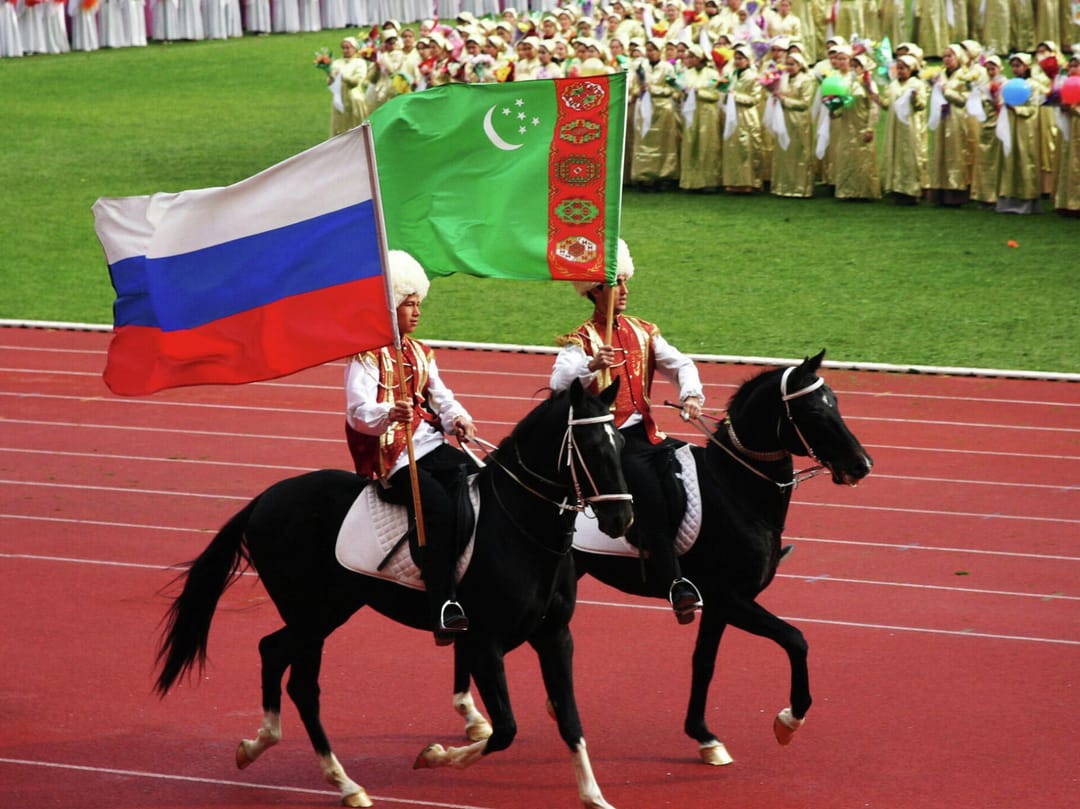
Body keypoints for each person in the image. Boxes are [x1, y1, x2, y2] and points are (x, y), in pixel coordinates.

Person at [550, 239, 706, 625]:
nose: (625, 291)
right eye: (616, 284)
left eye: (624, 282)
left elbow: (681, 364)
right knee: (649, 492)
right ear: (595, 291)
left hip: (649, 434)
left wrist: (690, 394)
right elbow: (557, 384)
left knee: (700, 470)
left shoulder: (643, 331)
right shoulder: (580, 340)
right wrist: (590, 365)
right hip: (608, 439)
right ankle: (674, 584)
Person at [345, 251, 476, 645]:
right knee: (436, 509)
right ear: (390, 308)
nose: (417, 311)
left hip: (432, 446)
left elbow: (442, 396)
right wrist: (389, 412)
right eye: (408, 304)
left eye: (419, 302)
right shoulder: (366, 357)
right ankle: (442, 604)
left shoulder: (421, 353)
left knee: (482, 485)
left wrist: (459, 418)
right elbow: (357, 412)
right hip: (394, 457)